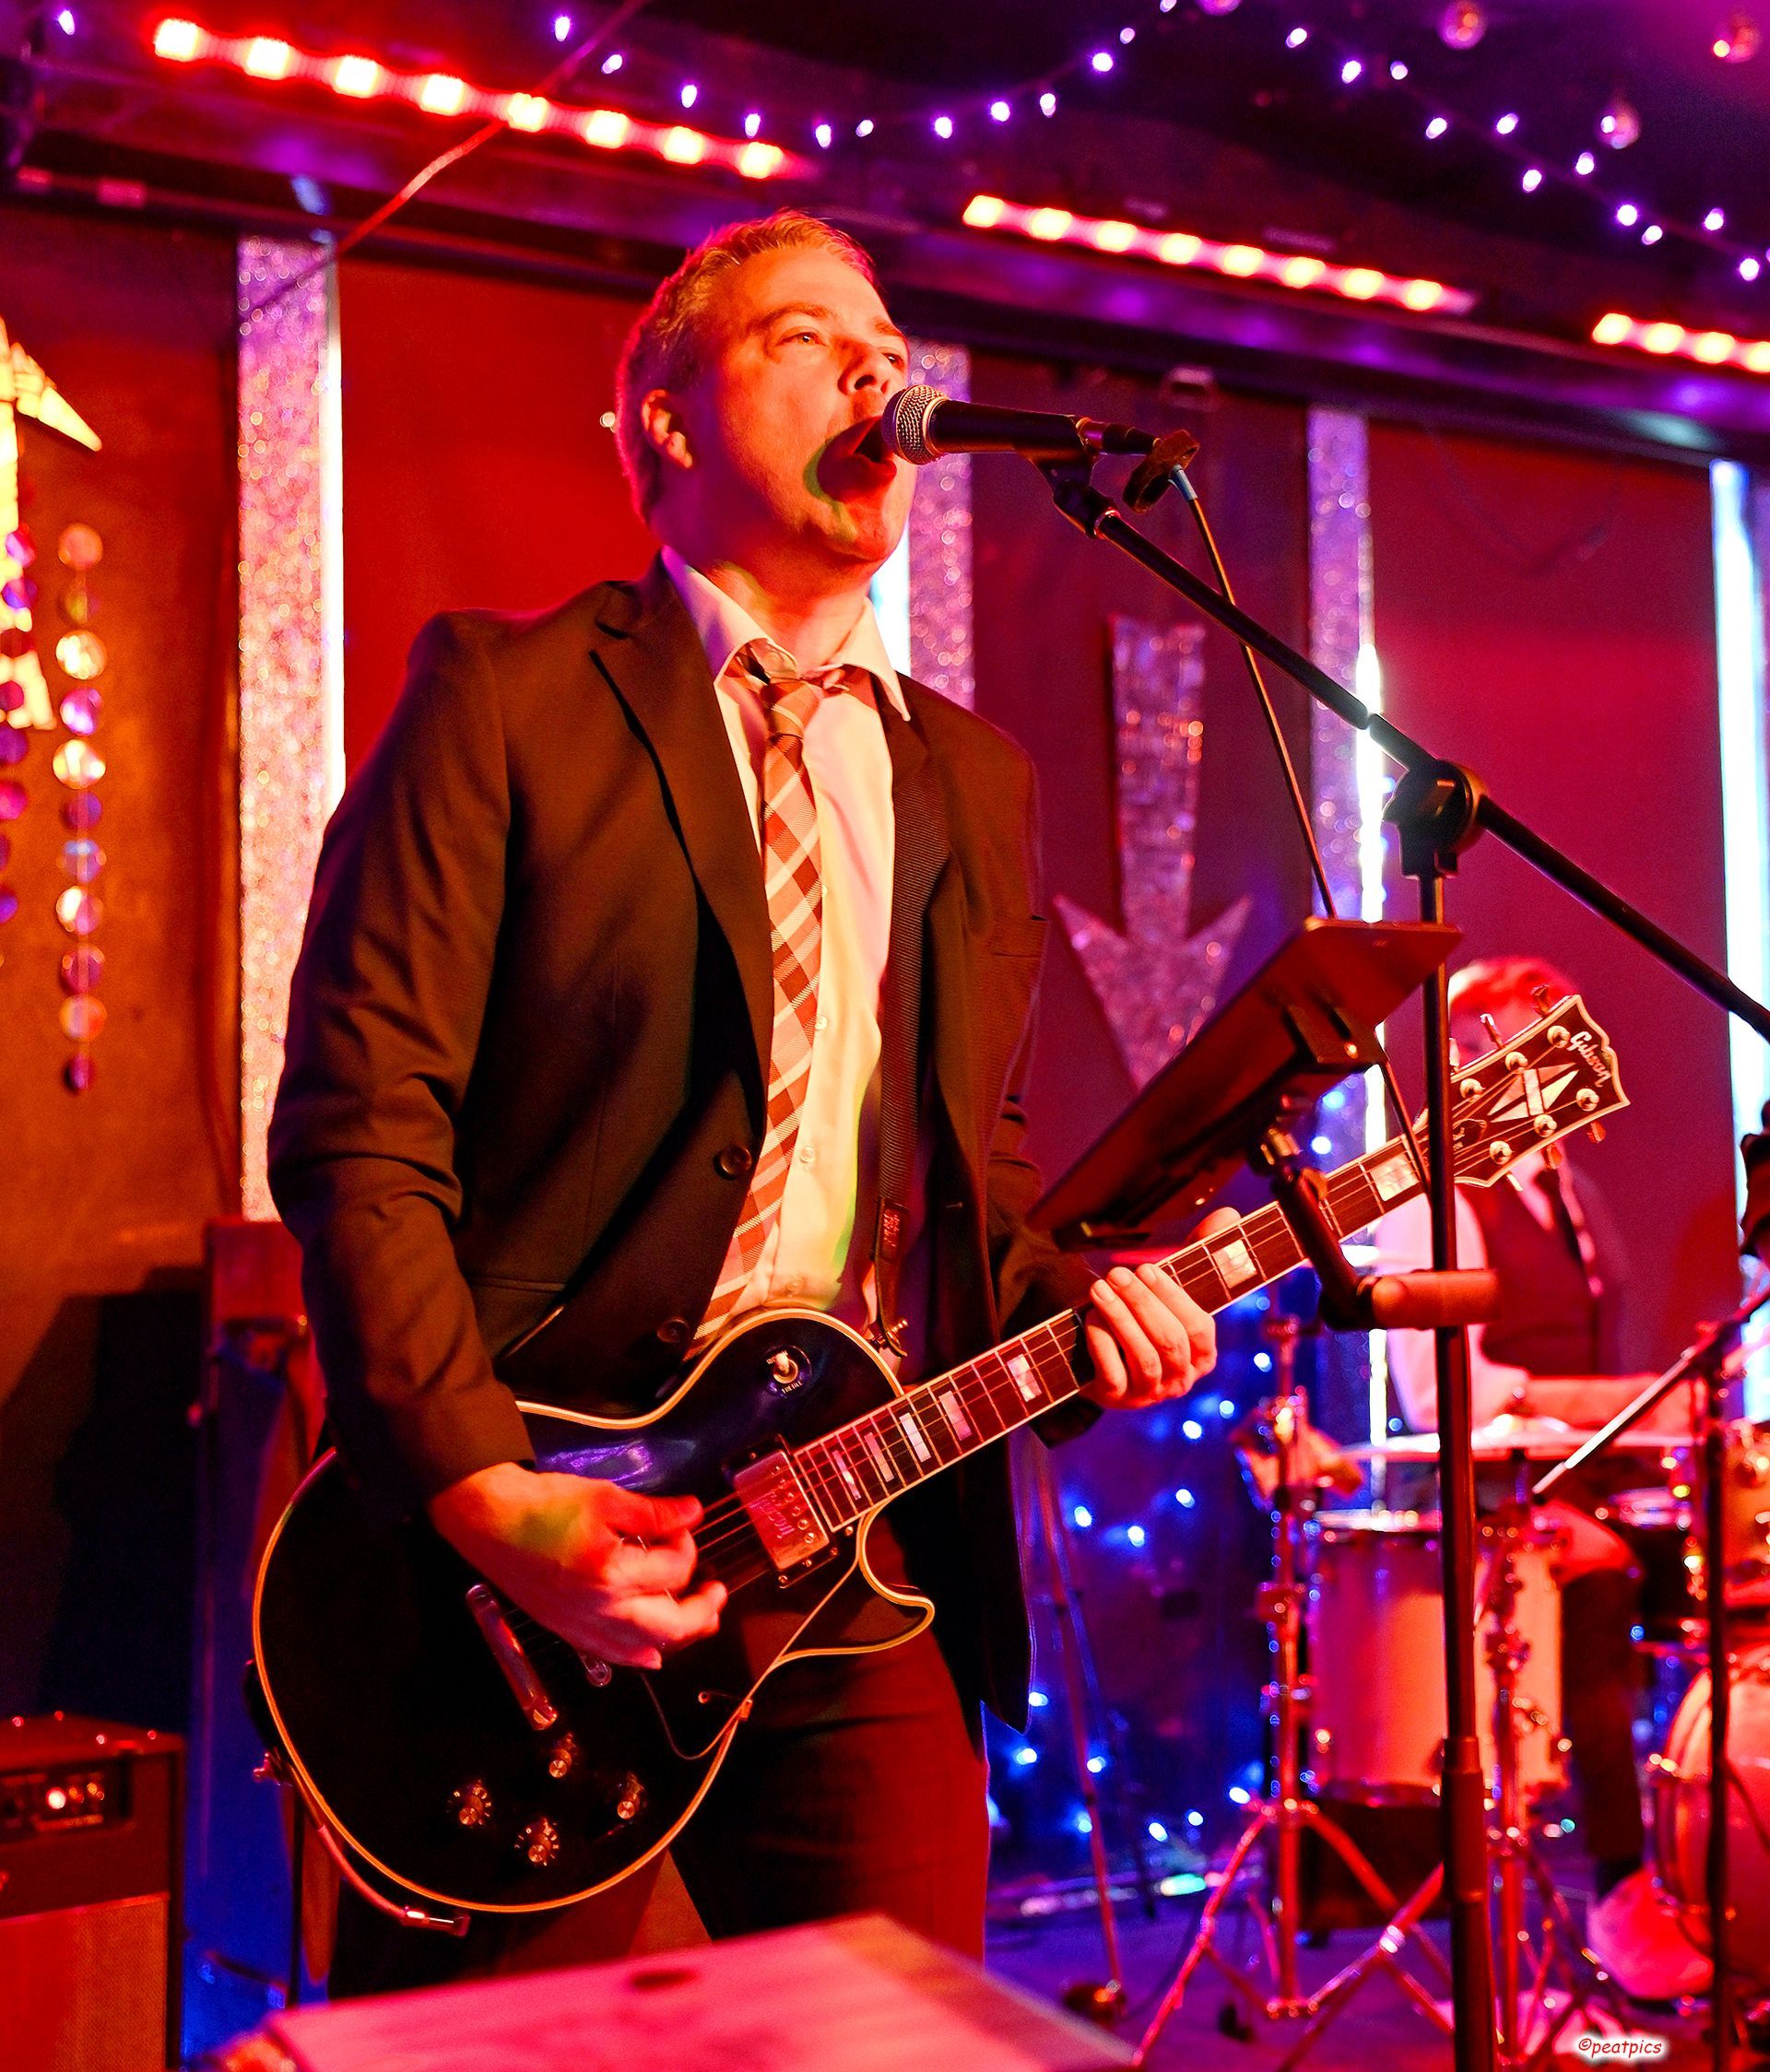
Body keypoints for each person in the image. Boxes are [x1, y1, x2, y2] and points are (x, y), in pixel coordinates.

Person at [266, 209, 1222, 1994]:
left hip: (857, 1543)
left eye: (885, 342)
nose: (872, 369)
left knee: (903, 2039)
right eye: (805, 337)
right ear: (667, 420)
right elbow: (359, 1121)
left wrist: (1091, 1314)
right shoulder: (508, 696)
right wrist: (487, 1492)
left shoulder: (971, 777)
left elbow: (968, 1182)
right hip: (538, 1545)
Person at [1372, 954, 1705, 1999]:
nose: (1569, 1064)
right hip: (1485, 1494)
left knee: (1735, 1563)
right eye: (1542, 1039)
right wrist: (1620, 1398)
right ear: (1474, 1056)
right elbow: (1443, 1394)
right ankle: (1618, 1890)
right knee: (1602, 1575)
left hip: (1578, 1477)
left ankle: (1715, 1862)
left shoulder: (1574, 1188)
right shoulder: (1437, 1194)